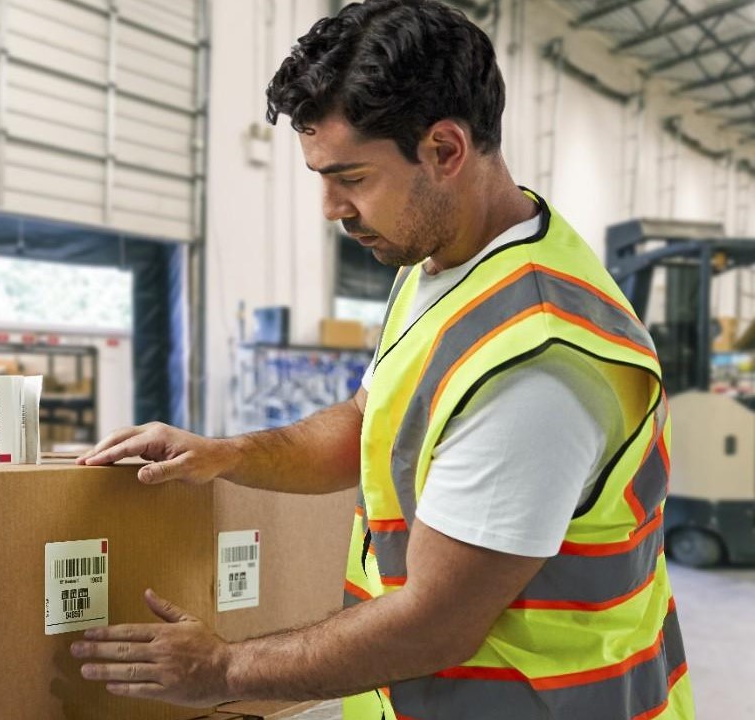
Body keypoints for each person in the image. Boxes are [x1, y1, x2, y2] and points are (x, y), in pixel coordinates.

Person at [67, 1, 697, 718]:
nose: (331, 208)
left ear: (446, 150)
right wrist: (224, 454)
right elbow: (371, 422)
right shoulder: (441, 265)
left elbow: (435, 624)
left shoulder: (537, 365)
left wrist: (225, 668)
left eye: (353, 177)